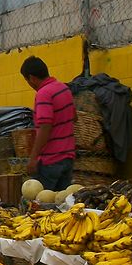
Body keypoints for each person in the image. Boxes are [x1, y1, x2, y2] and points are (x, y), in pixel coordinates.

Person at [20, 55, 76, 191]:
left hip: (51, 161)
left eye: (27, 80)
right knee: (62, 203)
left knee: (41, 204)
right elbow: (74, 117)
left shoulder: (43, 94)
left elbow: (45, 126)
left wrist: (33, 158)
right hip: (68, 157)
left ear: (32, 78)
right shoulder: (63, 88)